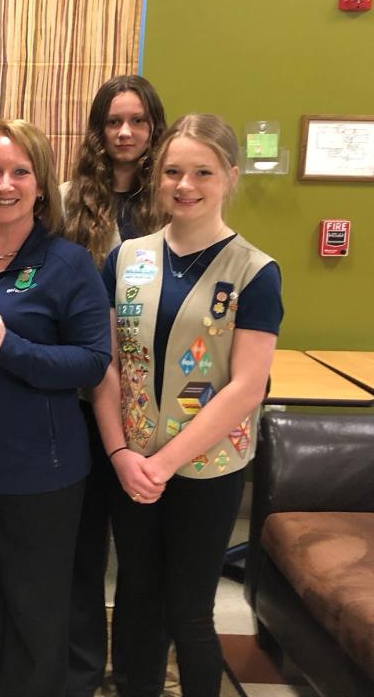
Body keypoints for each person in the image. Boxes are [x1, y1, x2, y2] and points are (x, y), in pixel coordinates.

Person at [92, 114, 283, 697]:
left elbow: (247, 386)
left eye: (202, 171)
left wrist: (166, 462)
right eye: (173, 171)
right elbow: (107, 364)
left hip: (205, 468)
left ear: (229, 175)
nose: (185, 184)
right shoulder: (126, 259)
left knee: (189, 607)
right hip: (130, 463)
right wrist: (121, 452)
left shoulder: (254, 271)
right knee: (135, 596)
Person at [0, 119, 112, 697]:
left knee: (35, 613)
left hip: (41, 475)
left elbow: (91, 362)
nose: (4, 183)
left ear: (40, 183)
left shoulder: (69, 263)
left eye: (19, 172)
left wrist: (13, 345)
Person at [59, 74, 167, 697]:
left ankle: (136, 677)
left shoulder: (173, 199)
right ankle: (77, 673)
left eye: (138, 122)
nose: (125, 133)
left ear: (154, 128)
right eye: (113, 122)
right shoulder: (70, 201)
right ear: (98, 130)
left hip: (152, 408)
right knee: (80, 553)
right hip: (78, 402)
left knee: (142, 557)